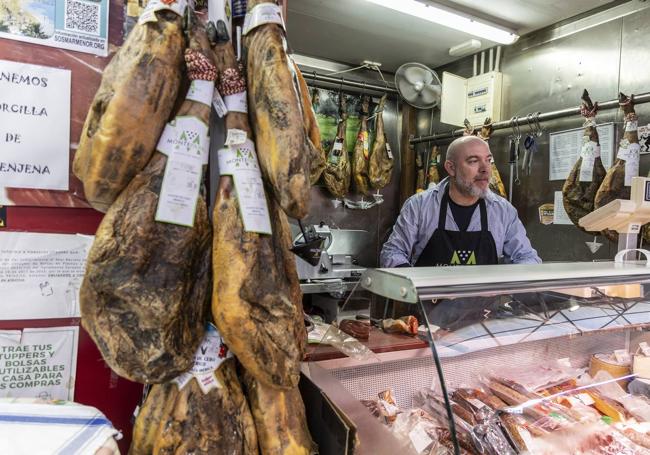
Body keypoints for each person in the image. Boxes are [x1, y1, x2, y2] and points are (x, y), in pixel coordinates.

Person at [380, 135, 540, 268]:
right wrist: (415, 284)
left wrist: (509, 282)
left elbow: (527, 258)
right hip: (428, 303)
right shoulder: (419, 206)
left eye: (488, 160)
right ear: (451, 168)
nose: (485, 169)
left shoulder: (503, 210)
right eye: (473, 161)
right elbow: (393, 252)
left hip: (484, 305)